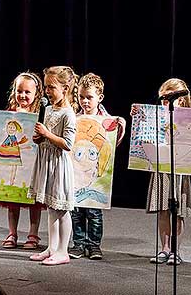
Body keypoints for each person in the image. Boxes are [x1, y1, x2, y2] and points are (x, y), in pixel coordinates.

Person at [131, 78, 191, 265]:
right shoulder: (156, 116)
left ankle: (176, 250)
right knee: (163, 210)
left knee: (178, 212)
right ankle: (165, 248)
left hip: (180, 171)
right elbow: (141, 132)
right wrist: (138, 116)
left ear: (182, 99)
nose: (166, 102)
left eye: (171, 98)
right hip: (161, 170)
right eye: (163, 98)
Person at [69, 72, 126, 260]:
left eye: (89, 97)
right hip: (75, 174)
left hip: (94, 176)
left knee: (94, 212)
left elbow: (112, 145)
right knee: (75, 211)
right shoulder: (75, 118)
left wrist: (121, 126)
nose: (85, 101)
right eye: (81, 97)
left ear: (99, 98)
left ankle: (94, 245)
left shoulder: (107, 121)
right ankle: (78, 243)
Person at [0, 72, 46, 250]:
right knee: (13, 200)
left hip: (34, 163)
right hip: (14, 161)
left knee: (34, 202)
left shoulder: (40, 114)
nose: (23, 96)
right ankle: (12, 233)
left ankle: (33, 234)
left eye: (27, 92)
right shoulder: (9, 114)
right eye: (19, 91)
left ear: (36, 94)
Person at [28, 66, 77, 266]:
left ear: (65, 88)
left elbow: (67, 144)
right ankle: (52, 247)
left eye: (51, 87)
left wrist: (47, 134)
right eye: (46, 87)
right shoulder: (48, 109)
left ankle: (63, 250)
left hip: (58, 165)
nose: (47, 91)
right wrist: (39, 138)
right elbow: (44, 137)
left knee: (62, 209)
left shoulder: (68, 114)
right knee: (50, 208)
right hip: (46, 161)